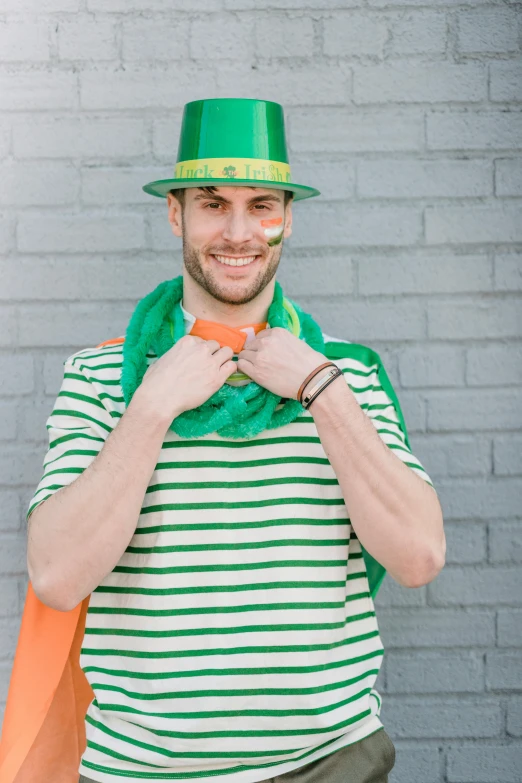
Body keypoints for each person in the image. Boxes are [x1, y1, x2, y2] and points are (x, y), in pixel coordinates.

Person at [0, 98, 445, 783]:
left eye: (261, 204)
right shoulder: (100, 378)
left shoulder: (346, 375)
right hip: (143, 773)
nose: (238, 232)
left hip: (333, 764)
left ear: (287, 219)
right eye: (212, 203)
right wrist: (150, 406)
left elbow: (418, 555)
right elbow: (57, 577)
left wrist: (320, 390)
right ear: (176, 213)